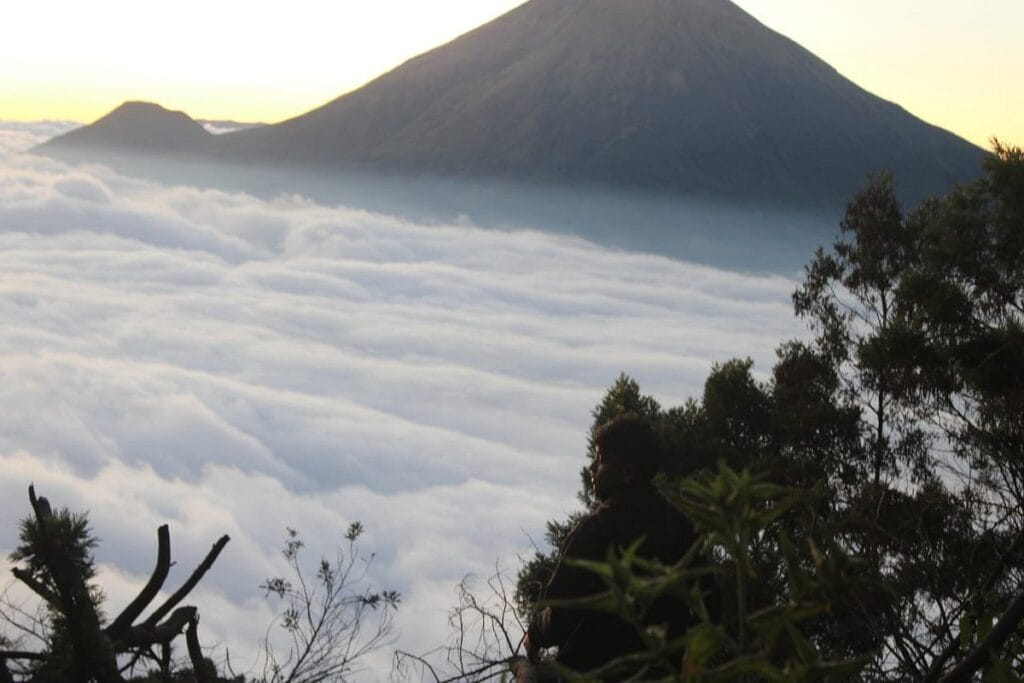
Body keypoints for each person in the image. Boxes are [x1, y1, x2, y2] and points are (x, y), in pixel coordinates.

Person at [524, 414, 696, 678]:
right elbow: (709, 607)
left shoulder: (593, 531)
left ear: (627, 473)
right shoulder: (682, 527)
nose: (592, 467)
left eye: (601, 459)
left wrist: (534, 635)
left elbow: (561, 616)